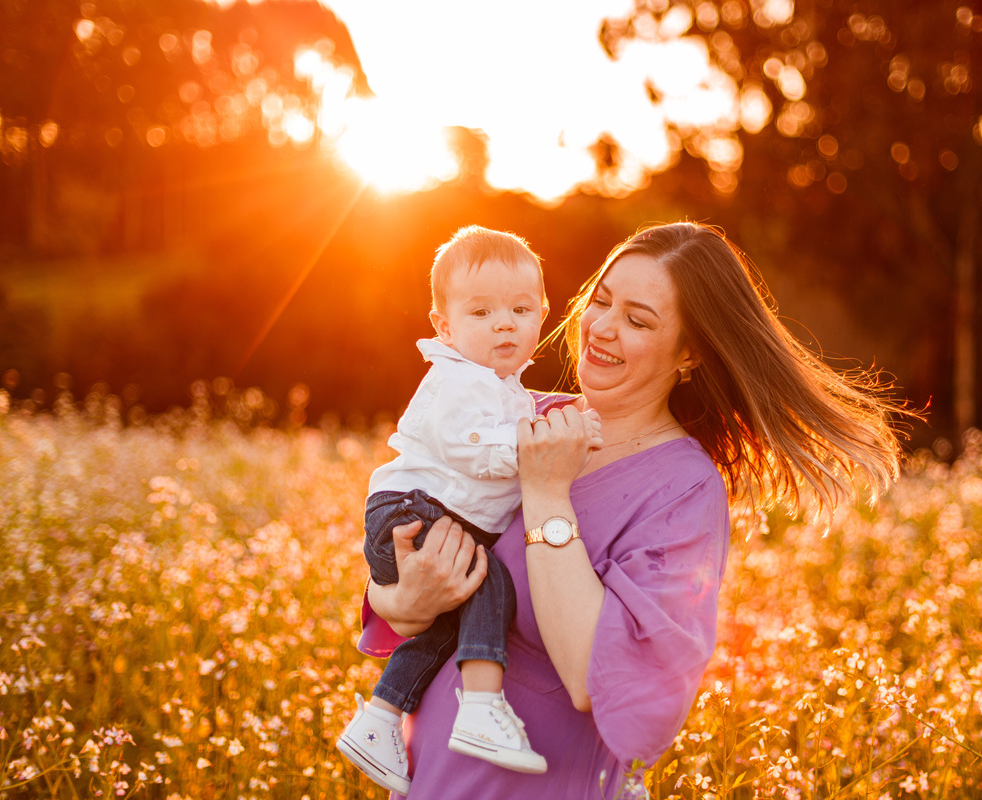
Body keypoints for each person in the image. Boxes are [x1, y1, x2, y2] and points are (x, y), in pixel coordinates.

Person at [359, 222, 904, 799]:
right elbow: (404, 563)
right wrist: (399, 600)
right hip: (427, 782)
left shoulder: (682, 489)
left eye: (638, 320)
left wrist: (547, 494)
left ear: (689, 353)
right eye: (601, 301)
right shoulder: (517, 417)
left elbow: (599, 681)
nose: (602, 328)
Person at [336, 226, 603, 794]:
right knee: (491, 582)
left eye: (520, 309)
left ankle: (380, 719)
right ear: (444, 327)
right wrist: (538, 448)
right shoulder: (461, 380)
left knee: (450, 620)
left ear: (543, 315)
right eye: (481, 312)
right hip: (409, 512)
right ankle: (482, 706)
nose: (504, 322)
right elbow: (471, 445)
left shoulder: (506, 387)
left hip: (428, 515)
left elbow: (522, 419)